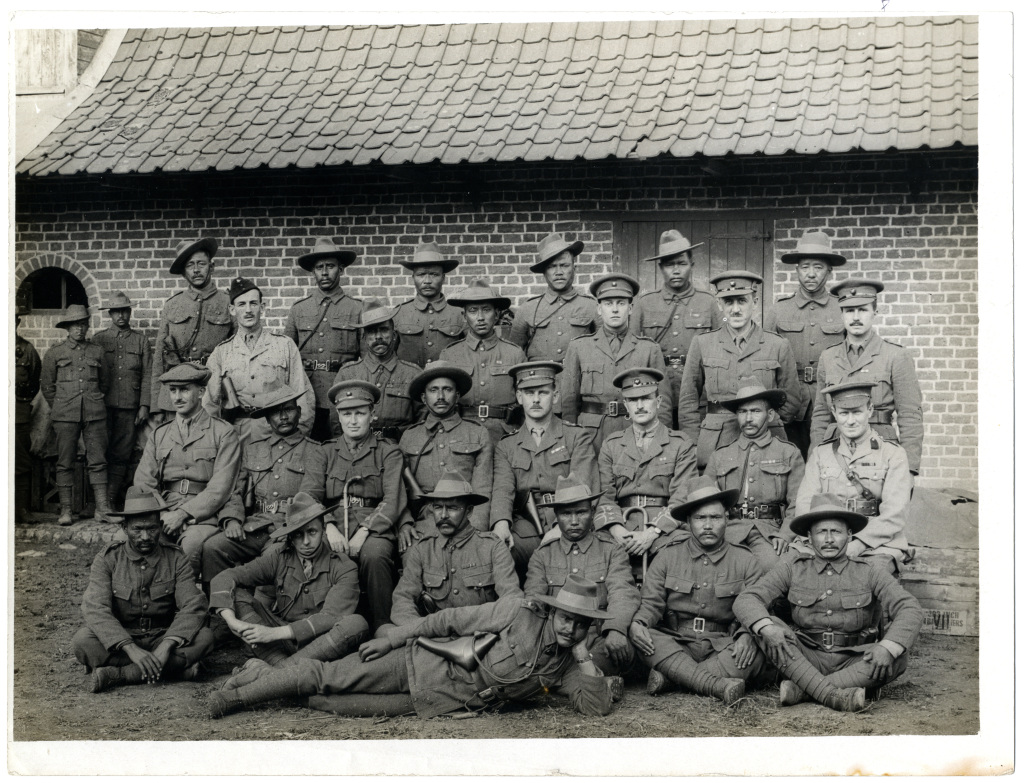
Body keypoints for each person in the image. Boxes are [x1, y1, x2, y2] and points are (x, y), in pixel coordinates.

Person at [209, 575, 620, 720]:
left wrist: (582, 654)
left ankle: (263, 674)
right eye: (565, 618)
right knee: (327, 677)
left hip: (437, 701)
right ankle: (236, 698)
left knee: (329, 704)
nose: (570, 629)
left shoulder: (567, 665)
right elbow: (447, 620)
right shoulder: (517, 612)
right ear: (552, 612)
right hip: (417, 661)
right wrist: (392, 638)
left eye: (580, 624)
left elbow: (595, 707)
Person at [734, 494, 925, 712]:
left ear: (849, 535)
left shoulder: (869, 571)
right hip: (805, 657)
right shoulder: (793, 567)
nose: (829, 539)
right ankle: (834, 694)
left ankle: (804, 690)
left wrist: (887, 647)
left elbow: (909, 608)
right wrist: (767, 628)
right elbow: (747, 598)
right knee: (770, 626)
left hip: (854, 658)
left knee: (898, 655)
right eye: (821, 532)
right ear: (809, 537)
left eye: (836, 531)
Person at [629, 478, 766, 704]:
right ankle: (715, 685)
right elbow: (651, 604)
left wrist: (746, 635)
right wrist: (640, 623)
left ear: (727, 519)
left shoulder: (746, 560)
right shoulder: (667, 556)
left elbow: (757, 608)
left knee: (758, 647)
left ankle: (672, 677)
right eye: (700, 518)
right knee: (644, 635)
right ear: (688, 522)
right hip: (676, 643)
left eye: (715, 517)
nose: (708, 525)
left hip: (722, 646)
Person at [72, 487, 214, 693]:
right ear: (125, 527)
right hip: (122, 638)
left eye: (152, 528)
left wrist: (166, 646)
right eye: (138, 529)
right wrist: (130, 648)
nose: (146, 536)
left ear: (161, 526)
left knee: (205, 637)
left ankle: (120, 674)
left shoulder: (176, 558)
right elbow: (95, 608)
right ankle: (175, 670)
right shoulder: (108, 559)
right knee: (83, 641)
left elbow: (193, 605)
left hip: (163, 636)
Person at [210, 492, 369, 673]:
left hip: (321, 646)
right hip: (280, 645)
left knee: (356, 624)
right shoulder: (279, 557)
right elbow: (224, 577)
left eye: (312, 532)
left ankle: (275, 673)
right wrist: (232, 621)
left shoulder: (343, 566)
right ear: (291, 537)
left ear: (323, 529)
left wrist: (272, 633)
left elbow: (331, 617)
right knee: (237, 595)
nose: (306, 542)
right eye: (298, 535)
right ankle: (285, 672)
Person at [200, 382, 327, 585]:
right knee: (213, 547)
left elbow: (311, 495)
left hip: (289, 529)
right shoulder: (252, 450)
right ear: (267, 419)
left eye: (288, 410)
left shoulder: (315, 450)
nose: (283, 417)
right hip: (255, 526)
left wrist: (291, 527)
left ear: (299, 411)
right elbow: (235, 490)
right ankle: (220, 603)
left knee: (272, 559)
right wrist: (232, 519)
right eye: (276, 412)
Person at [677, 270, 805, 469]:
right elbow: (688, 400)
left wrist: (769, 421)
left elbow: (792, 398)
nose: (735, 309)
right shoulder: (703, 343)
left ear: (755, 302)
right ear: (720, 304)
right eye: (729, 302)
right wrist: (694, 442)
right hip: (716, 440)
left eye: (742, 301)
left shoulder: (777, 345)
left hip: (767, 438)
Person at [132, 363, 243, 580]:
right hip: (163, 511)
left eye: (184, 390)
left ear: (201, 392)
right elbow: (144, 482)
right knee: (134, 543)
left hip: (203, 516)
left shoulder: (223, 432)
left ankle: (185, 600)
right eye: (173, 390)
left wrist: (183, 514)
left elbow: (221, 486)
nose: (177, 397)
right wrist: (162, 515)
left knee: (190, 547)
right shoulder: (159, 434)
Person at [491, 361, 600, 577]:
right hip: (526, 524)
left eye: (543, 392)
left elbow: (583, 485)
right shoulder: (507, 445)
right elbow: (503, 490)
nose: (536, 399)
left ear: (555, 396)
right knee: (499, 552)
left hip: (570, 519)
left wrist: (560, 528)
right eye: (529, 393)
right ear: (519, 397)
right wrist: (501, 524)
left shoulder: (576, 436)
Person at [526, 473, 639, 675]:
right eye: (566, 514)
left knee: (614, 652)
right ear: (556, 516)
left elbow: (622, 593)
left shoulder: (611, 550)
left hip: (598, 638)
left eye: (581, 512)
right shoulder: (542, 555)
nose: (574, 521)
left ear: (593, 511)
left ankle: (581, 677)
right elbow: (534, 602)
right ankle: (592, 680)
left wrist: (615, 628)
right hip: (557, 640)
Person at [810, 279, 924, 475]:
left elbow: (910, 416)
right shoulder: (828, 357)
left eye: (862, 310)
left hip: (881, 448)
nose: (856, 317)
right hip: (836, 449)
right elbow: (821, 414)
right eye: (849, 311)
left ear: (874, 312)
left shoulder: (895, 356)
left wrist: (909, 469)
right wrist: (815, 460)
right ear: (841, 314)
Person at [797, 381, 913, 572]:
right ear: (834, 413)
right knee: (796, 569)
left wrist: (859, 543)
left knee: (867, 576)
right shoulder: (820, 453)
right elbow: (805, 505)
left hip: (875, 544)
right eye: (844, 413)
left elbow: (895, 513)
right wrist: (821, 541)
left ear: (870, 410)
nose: (850, 421)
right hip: (825, 541)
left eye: (857, 412)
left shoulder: (893, 454)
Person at [322, 379, 405, 632]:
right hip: (333, 522)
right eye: (347, 414)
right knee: (315, 548)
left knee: (375, 554)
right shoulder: (325, 452)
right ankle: (323, 626)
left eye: (360, 413)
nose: (353, 421)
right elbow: (309, 495)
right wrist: (328, 527)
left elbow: (393, 498)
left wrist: (365, 530)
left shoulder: (388, 451)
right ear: (338, 416)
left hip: (375, 526)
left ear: (372, 414)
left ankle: (382, 624)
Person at [389, 470, 520, 628]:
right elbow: (402, 600)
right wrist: (419, 629)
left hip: (481, 635)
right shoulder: (422, 549)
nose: (443, 515)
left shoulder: (493, 547)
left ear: (469, 511)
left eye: (452, 508)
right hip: (432, 637)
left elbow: (511, 600)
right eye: (438, 507)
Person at [596, 367, 698, 563]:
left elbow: (681, 499)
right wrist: (617, 530)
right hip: (621, 526)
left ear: (658, 402)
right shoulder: (611, 445)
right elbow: (604, 497)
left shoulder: (680, 444)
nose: (640, 406)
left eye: (646, 398)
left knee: (682, 550)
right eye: (633, 400)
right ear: (626, 405)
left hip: (664, 530)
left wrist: (652, 533)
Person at [562, 273, 671, 451]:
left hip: (636, 432)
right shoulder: (579, 347)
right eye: (608, 303)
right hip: (591, 435)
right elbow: (569, 402)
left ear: (630, 308)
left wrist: (660, 442)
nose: (614, 309)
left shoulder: (649, 348)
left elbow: (663, 403)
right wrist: (571, 441)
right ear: (599, 309)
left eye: (621, 303)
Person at [704, 379, 806, 571]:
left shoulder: (788, 453)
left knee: (773, 569)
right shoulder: (720, 455)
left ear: (770, 415)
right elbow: (706, 502)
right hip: (728, 532)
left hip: (770, 533)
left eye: (755, 411)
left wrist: (785, 535)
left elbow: (798, 504)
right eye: (743, 412)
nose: (748, 418)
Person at [764, 230, 848, 457]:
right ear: (797, 270)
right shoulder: (779, 309)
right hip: (789, 401)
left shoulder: (842, 309)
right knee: (789, 459)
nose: (811, 274)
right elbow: (765, 357)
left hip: (830, 398)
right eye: (805, 267)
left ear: (829, 271)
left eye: (818, 267)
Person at [204, 277, 316, 444]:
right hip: (236, 435)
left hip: (277, 432)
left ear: (262, 307)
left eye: (253, 303)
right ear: (232, 310)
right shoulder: (221, 352)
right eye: (242, 304)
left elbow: (303, 396)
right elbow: (210, 404)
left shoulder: (284, 345)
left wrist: (297, 439)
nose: (248, 310)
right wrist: (216, 442)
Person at [632, 230, 722, 427]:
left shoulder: (708, 302)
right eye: (669, 264)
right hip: (655, 391)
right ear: (660, 267)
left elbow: (722, 349)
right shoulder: (645, 304)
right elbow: (632, 353)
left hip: (698, 391)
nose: (676, 270)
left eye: (681, 263)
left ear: (692, 265)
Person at [397, 361, 492, 547]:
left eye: (447, 389)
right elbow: (399, 489)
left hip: (466, 520)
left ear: (457, 396)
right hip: (424, 522)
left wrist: (477, 530)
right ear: (424, 398)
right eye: (433, 390)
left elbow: (483, 487)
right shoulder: (409, 436)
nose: (440, 396)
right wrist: (404, 523)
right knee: (412, 556)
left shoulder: (477, 433)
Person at [40, 303, 113, 526]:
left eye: (83, 324)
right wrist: (61, 406)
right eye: (75, 325)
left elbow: (105, 383)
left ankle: (102, 509)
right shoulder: (55, 353)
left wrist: (92, 400)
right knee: (65, 462)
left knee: (98, 460)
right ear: (67, 328)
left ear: (87, 326)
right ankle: (66, 510)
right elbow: (47, 386)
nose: (79, 329)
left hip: (94, 412)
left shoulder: (97, 351)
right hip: (65, 415)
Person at [285, 237, 364, 441]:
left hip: (342, 392)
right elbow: (286, 356)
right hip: (306, 394)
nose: (325, 272)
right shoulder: (299, 309)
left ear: (341, 269)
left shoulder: (356, 309)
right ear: (313, 272)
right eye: (319, 267)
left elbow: (365, 359)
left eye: (330, 266)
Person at [151, 237, 234, 419]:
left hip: (214, 390)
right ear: (183, 272)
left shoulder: (228, 302)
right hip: (177, 392)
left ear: (211, 267)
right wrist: (156, 406)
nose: (196, 270)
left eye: (201, 264)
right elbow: (159, 358)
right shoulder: (172, 305)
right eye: (190, 265)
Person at [440, 280, 527, 445]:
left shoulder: (514, 354)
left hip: (504, 436)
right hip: (461, 436)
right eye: (473, 311)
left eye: (486, 310)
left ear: (497, 314)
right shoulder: (450, 355)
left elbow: (525, 402)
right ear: (464, 316)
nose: (480, 318)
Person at [92, 291, 153, 508]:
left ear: (130, 312)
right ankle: (98, 503)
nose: (121, 316)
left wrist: (144, 405)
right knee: (99, 452)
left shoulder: (140, 341)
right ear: (110, 314)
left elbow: (148, 375)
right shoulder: (99, 340)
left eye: (124, 311)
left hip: (129, 406)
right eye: (116, 312)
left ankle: (109, 502)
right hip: (102, 406)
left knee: (122, 454)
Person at [333, 301, 422, 442]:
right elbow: (336, 422)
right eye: (372, 331)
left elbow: (422, 421)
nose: (378, 336)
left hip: (400, 447)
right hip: (359, 448)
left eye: (384, 330)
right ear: (364, 338)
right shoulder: (348, 374)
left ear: (394, 334)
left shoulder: (413, 374)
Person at [508, 232, 597, 363]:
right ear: (544, 272)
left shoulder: (592, 306)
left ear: (574, 268)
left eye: (564, 265)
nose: (558, 272)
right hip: (539, 375)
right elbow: (513, 355)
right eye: (552, 267)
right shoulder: (527, 309)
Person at [392, 240, 465, 367]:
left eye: (434, 274)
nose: (427, 281)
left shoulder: (459, 314)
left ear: (443, 277)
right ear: (413, 277)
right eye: (421, 274)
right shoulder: (398, 314)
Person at [14, 305, 42, 524]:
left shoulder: (27, 350)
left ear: (17, 323)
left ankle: (21, 509)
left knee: (21, 460)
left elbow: (34, 382)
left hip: (18, 414)